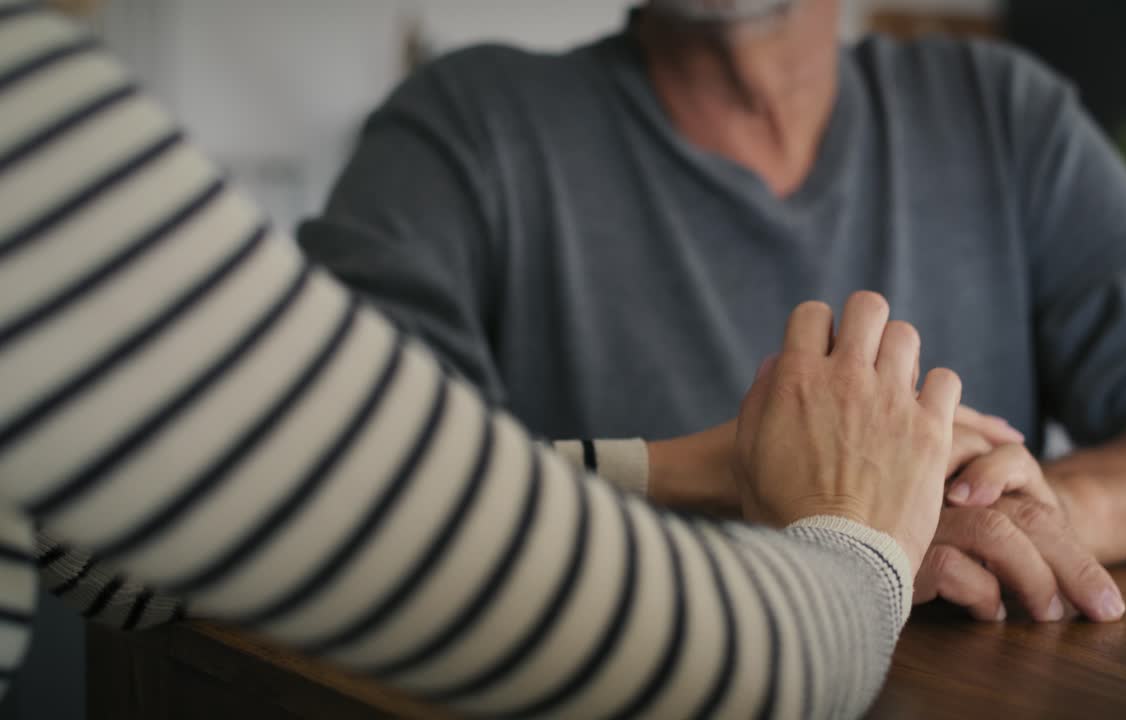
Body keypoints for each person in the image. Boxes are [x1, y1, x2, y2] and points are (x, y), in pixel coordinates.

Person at [0, 2, 966, 717]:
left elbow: (210, 528)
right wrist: (863, 534)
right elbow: (749, 675)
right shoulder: (28, 128)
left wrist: (682, 469)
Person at [282, 0, 1126, 623]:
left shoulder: (998, 109)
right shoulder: (463, 125)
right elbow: (320, 482)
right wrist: (834, 522)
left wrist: (1040, 514)